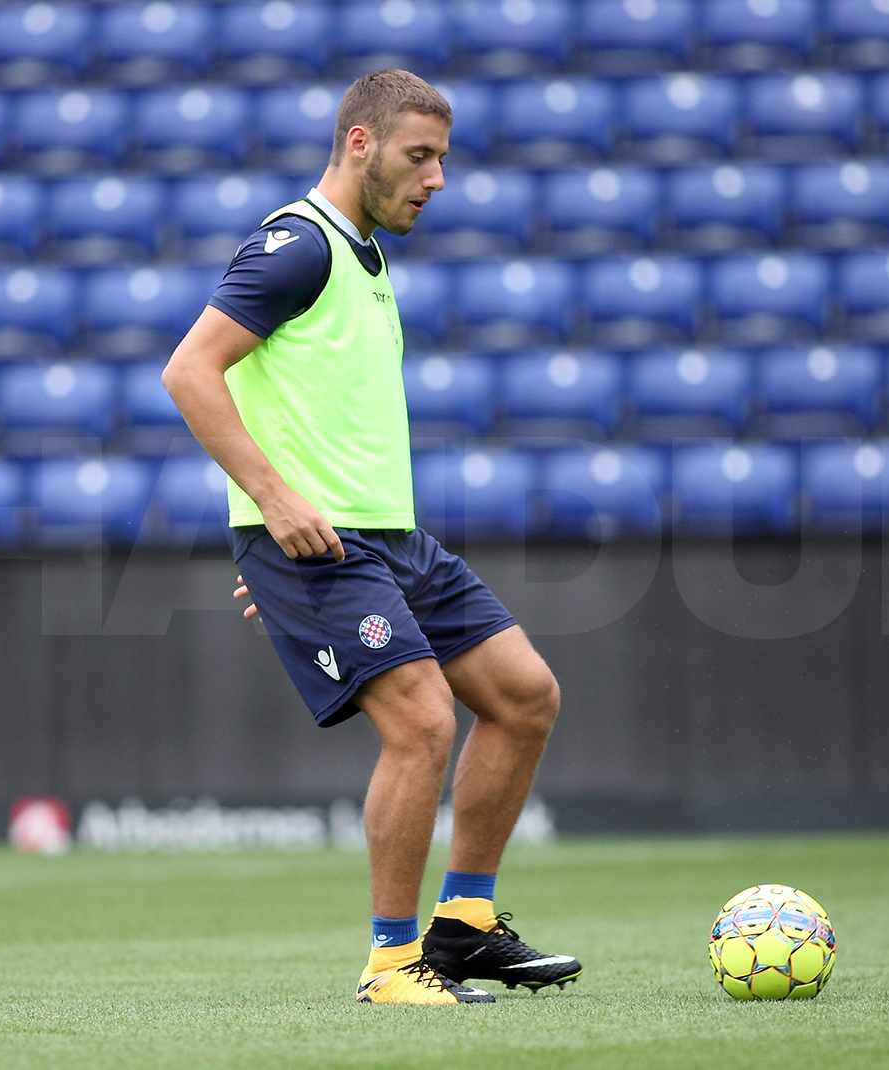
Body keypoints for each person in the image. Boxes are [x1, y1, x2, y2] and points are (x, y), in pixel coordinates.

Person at [162, 70, 579, 1006]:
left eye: (442, 158)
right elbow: (189, 372)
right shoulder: (296, 248)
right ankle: (393, 964)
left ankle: (465, 927)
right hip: (320, 543)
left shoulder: (365, 254)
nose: (436, 178)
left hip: (386, 538)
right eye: (418, 156)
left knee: (523, 697)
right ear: (361, 145)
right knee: (425, 721)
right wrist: (272, 509)